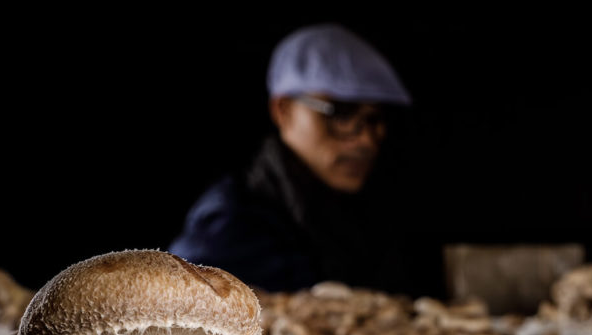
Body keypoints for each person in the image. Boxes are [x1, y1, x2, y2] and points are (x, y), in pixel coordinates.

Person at [169, 23, 442, 297]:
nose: (366, 141)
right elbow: (170, 314)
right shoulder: (229, 224)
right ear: (283, 110)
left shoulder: (368, 214)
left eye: (375, 120)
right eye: (341, 114)